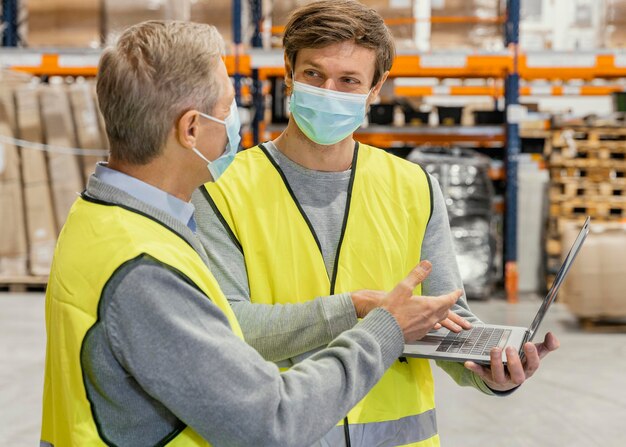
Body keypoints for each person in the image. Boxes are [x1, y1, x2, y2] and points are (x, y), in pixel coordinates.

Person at [39, 20, 467, 447]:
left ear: (376, 86)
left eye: (349, 80)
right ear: (191, 129)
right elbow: (271, 420)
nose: (234, 123)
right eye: (227, 108)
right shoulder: (145, 266)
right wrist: (383, 326)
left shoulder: (107, 223)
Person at [192, 1, 560, 446]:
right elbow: (230, 330)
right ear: (288, 72)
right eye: (313, 74)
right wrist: (357, 308)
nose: (329, 90)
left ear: (375, 88)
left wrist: (492, 372)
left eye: (349, 80)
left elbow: (447, 320)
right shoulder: (222, 187)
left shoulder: (413, 187)